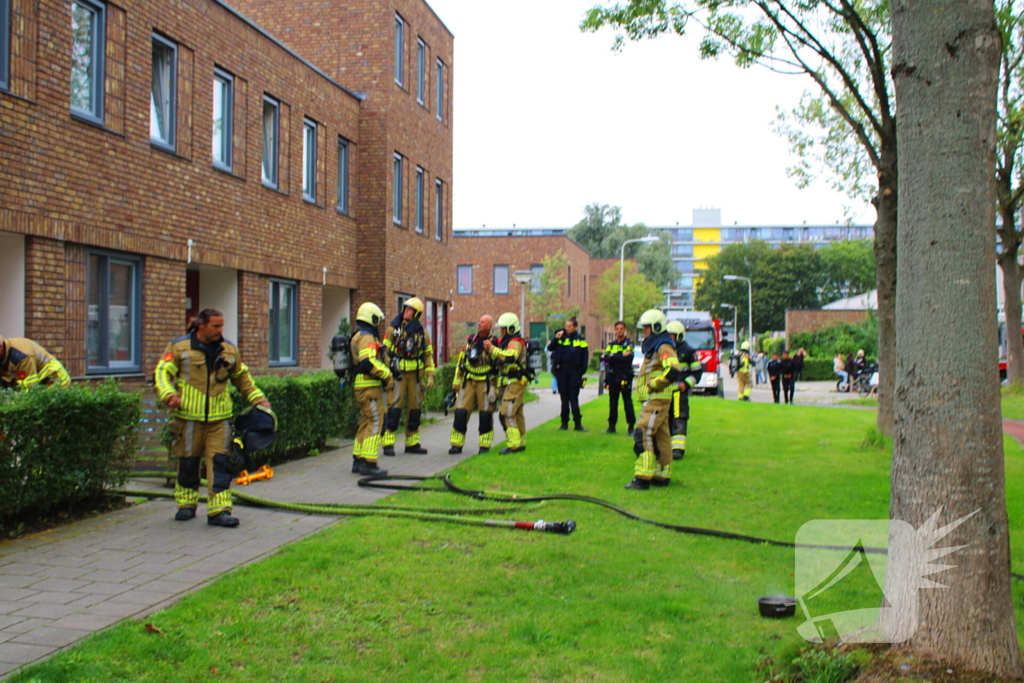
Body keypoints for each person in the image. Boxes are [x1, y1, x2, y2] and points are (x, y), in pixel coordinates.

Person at [155, 308, 270, 527]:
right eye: (215, 326)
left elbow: (242, 379)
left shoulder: (228, 350)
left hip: (220, 419)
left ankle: (219, 510)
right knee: (188, 462)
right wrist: (168, 394)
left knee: (220, 463)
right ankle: (186, 505)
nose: (220, 330)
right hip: (188, 419)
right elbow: (162, 372)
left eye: (221, 326)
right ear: (201, 325)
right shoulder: (179, 348)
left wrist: (259, 400)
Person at [626, 309, 681, 490]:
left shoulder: (663, 346)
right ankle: (661, 475)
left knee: (643, 433)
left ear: (656, 327)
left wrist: (656, 383)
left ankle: (642, 477)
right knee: (661, 436)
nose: (644, 332)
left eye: (647, 328)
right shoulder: (656, 346)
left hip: (656, 398)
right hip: (656, 399)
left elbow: (673, 370)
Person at [381, 297, 435, 456]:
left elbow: (428, 355)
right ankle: (388, 444)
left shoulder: (423, 334)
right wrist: (389, 373)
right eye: (405, 308)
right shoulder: (393, 330)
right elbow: (385, 352)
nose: (406, 312)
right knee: (394, 409)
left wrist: (430, 375)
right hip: (398, 375)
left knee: (415, 410)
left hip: (416, 377)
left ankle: (412, 443)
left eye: (410, 310)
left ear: (417, 314)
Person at [349, 302, 393, 477]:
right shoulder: (366, 336)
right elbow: (368, 361)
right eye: (376, 319)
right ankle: (369, 462)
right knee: (376, 421)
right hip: (370, 385)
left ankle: (358, 459)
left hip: (362, 384)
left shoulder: (357, 334)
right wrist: (387, 374)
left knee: (365, 422)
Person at [449, 315, 498, 454]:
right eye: (479, 321)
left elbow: (499, 366)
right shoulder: (470, 340)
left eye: (482, 322)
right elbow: (461, 362)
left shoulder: (494, 343)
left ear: (489, 326)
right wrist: (456, 384)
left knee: (486, 415)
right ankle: (456, 444)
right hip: (468, 381)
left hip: (486, 383)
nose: (479, 324)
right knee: (460, 412)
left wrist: (495, 387)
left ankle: (484, 445)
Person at [484, 312, 528, 454]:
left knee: (506, 413)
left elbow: (510, 357)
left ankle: (513, 445)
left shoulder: (515, 342)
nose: (501, 331)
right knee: (517, 413)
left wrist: (492, 349)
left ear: (510, 328)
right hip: (511, 383)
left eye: (503, 328)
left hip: (515, 382)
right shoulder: (508, 341)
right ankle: (520, 442)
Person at [667, 320, 702, 460]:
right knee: (664, 418)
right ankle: (665, 446)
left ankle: (677, 449)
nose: (670, 338)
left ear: (679, 336)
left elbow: (697, 372)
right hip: (665, 392)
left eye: (673, 336)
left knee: (679, 419)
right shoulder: (665, 350)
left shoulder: (688, 351)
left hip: (679, 393)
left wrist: (686, 384)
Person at [548, 316, 589, 431]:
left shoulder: (580, 339)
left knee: (573, 398)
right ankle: (564, 423)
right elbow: (550, 348)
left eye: (569, 326)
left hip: (574, 372)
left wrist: (581, 372)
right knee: (564, 398)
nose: (567, 328)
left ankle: (578, 424)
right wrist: (556, 338)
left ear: (575, 327)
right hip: (562, 371)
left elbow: (585, 356)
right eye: (566, 326)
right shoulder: (561, 338)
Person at [601, 321, 635, 435]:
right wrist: (619, 356)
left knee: (627, 401)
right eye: (617, 329)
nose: (619, 330)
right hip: (612, 375)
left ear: (624, 329)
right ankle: (611, 426)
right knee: (613, 402)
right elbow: (605, 358)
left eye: (621, 328)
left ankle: (631, 427)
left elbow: (628, 359)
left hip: (625, 375)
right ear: (614, 330)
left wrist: (613, 356)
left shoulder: (629, 343)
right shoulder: (611, 344)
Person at [0, 335, 71, 390]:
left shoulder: (21, 356)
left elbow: (30, 389)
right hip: (40, 386)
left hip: (55, 380)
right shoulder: (4, 355)